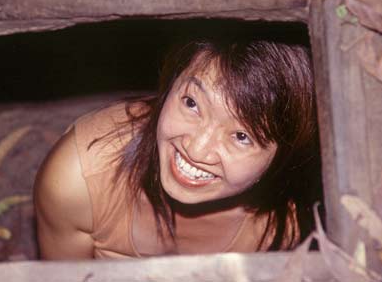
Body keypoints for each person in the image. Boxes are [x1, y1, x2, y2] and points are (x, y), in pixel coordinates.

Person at [33, 35, 322, 259]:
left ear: (284, 157)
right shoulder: (78, 180)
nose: (196, 149)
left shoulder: (293, 221)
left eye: (241, 136)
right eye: (192, 103)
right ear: (171, 82)